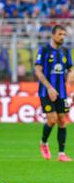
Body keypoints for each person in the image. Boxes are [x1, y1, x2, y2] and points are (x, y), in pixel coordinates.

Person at [36, 24, 74, 162]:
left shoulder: (65, 51)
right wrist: (49, 87)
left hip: (62, 92)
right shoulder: (44, 50)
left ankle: (61, 154)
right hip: (45, 91)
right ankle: (44, 143)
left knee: (62, 120)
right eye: (60, 34)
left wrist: (71, 75)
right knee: (52, 120)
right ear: (53, 35)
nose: (62, 37)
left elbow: (70, 68)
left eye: (64, 35)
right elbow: (38, 71)